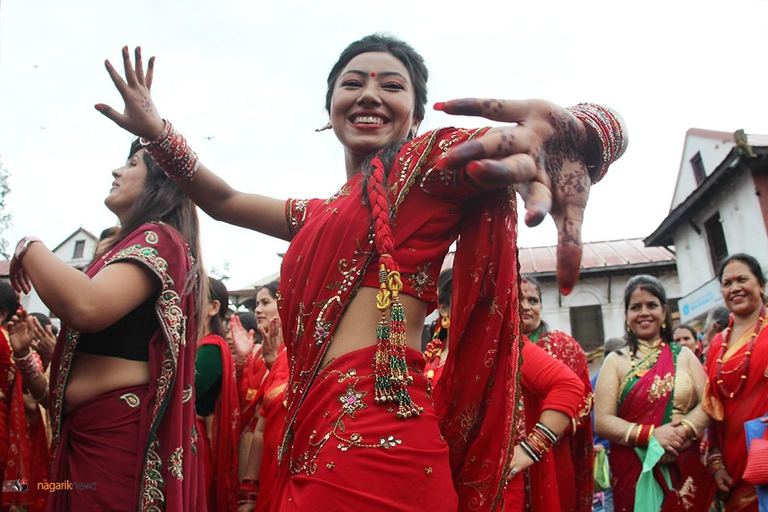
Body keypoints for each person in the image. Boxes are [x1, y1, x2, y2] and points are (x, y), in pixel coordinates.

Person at [96, 36, 626, 511]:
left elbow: (531, 141)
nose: (370, 94)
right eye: (353, 82)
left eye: (392, 85)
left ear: (415, 116)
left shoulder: (426, 167)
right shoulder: (315, 214)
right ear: (331, 109)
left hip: (378, 442)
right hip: (308, 440)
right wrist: (157, 132)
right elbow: (225, 200)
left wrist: (580, 135)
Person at [7, 139, 206, 511]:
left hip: (116, 441)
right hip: (87, 434)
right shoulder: (127, 249)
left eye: (131, 164)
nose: (117, 171)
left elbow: (85, 306)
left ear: (158, 185)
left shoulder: (159, 237)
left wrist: (29, 245)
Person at [594, 275, 712, 511]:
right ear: (626, 315)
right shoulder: (615, 361)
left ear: (664, 311)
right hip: (633, 467)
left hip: (683, 462)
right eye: (635, 307)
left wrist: (682, 431)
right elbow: (603, 420)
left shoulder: (684, 356)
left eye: (651, 305)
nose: (644, 312)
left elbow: (709, 403)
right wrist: (651, 435)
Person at [518, 276, 594, 512]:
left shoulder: (564, 345)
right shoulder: (493, 345)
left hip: (552, 449)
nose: (527, 306)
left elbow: (584, 400)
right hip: (505, 453)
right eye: (519, 299)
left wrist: (548, 429)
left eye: (534, 300)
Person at [702, 254, 768, 511]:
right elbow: (713, 409)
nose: (735, 287)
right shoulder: (717, 344)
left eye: (742, 279)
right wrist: (716, 462)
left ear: (761, 285)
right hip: (733, 462)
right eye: (727, 283)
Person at [195, 277, 240, 512]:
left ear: (213, 308)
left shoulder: (211, 348)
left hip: (192, 444)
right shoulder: (195, 345)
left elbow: (184, 391)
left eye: (194, 295)